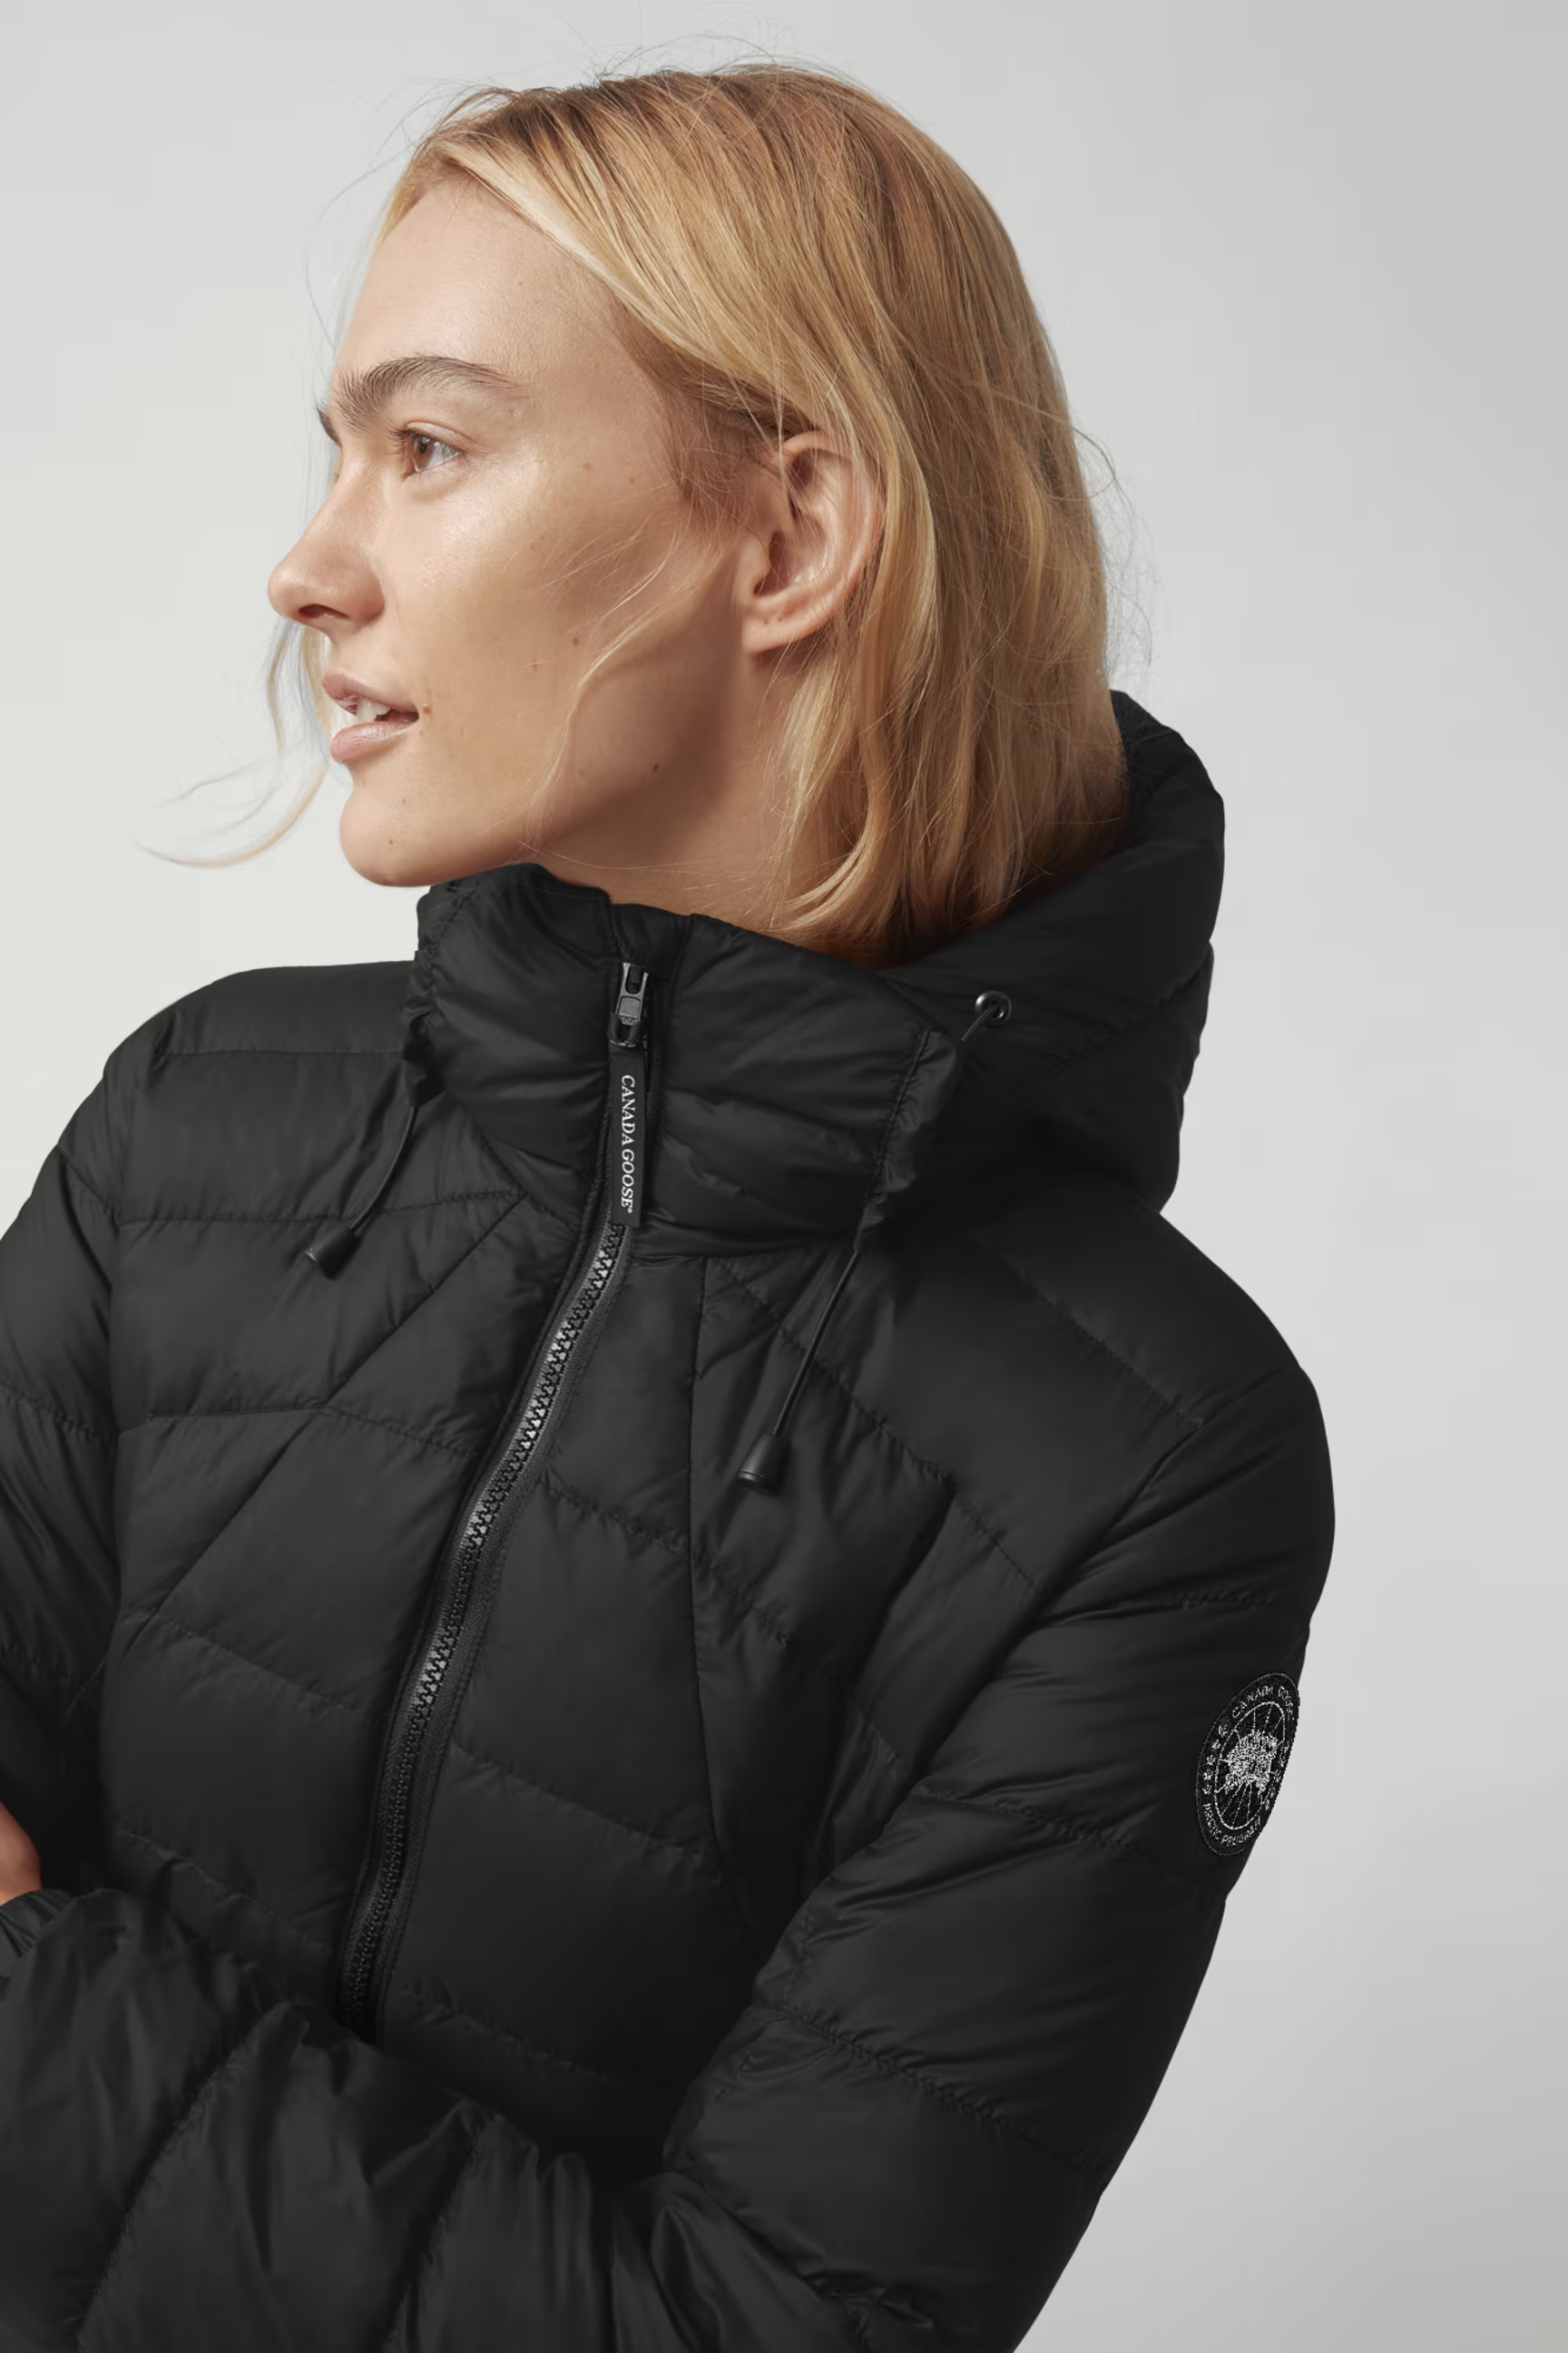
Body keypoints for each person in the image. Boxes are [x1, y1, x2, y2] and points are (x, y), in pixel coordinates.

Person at [0, 62, 1334, 2351]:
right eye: (339, 453)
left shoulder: (1148, 1458)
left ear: (791, 538)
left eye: (428, 447)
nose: (309, 566)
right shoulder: (191, 1130)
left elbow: (770, 2329)